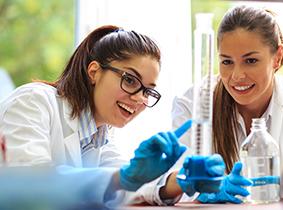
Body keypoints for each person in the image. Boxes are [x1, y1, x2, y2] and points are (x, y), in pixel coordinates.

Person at [0, 25, 225, 207]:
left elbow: (125, 186)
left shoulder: (99, 135)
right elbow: (31, 185)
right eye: (130, 80)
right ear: (94, 72)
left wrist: (184, 180)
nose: (139, 98)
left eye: (148, 91)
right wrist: (123, 177)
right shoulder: (33, 101)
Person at [172, 6, 283, 203]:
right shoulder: (192, 103)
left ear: (277, 57)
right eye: (227, 62)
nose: (237, 76)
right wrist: (200, 191)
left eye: (250, 60)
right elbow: (174, 186)